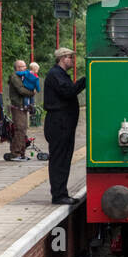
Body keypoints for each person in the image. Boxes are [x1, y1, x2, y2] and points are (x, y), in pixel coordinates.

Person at [44, 47, 86, 205]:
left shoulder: (60, 75)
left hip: (63, 123)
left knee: (64, 158)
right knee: (60, 159)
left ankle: (61, 192)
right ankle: (59, 194)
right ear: (62, 58)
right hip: (59, 123)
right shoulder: (56, 75)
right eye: (70, 58)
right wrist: (85, 80)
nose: (72, 61)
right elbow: (68, 92)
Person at [5, 60, 34, 161]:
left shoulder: (23, 77)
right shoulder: (15, 77)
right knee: (20, 129)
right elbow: (21, 90)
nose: (23, 69)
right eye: (21, 67)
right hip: (17, 107)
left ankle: (21, 153)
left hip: (23, 107)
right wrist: (32, 92)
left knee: (23, 129)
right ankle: (15, 153)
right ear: (16, 68)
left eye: (24, 67)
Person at [25, 62, 42, 126]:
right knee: (27, 99)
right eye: (37, 69)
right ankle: (27, 106)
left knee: (32, 100)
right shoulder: (29, 74)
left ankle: (31, 108)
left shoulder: (35, 75)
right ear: (34, 69)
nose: (38, 70)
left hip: (31, 90)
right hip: (27, 90)